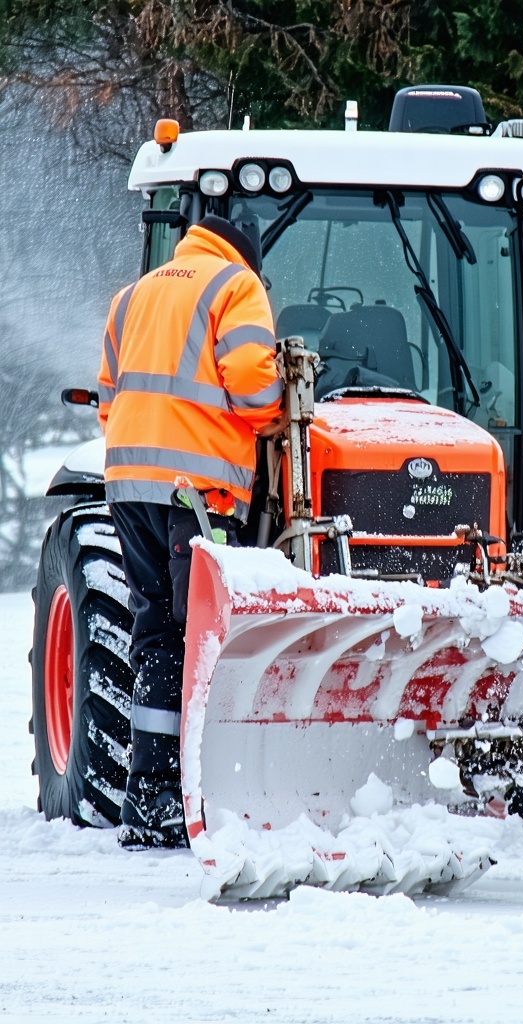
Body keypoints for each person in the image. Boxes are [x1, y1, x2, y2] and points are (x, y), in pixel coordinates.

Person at [97, 215, 283, 849]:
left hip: (130, 483)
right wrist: (280, 411)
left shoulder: (137, 292)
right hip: (197, 491)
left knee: (157, 632)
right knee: (207, 636)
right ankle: (204, 790)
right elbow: (255, 381)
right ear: (249, 256)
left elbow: (108, 396)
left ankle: (149, 799)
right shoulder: (236, 285)